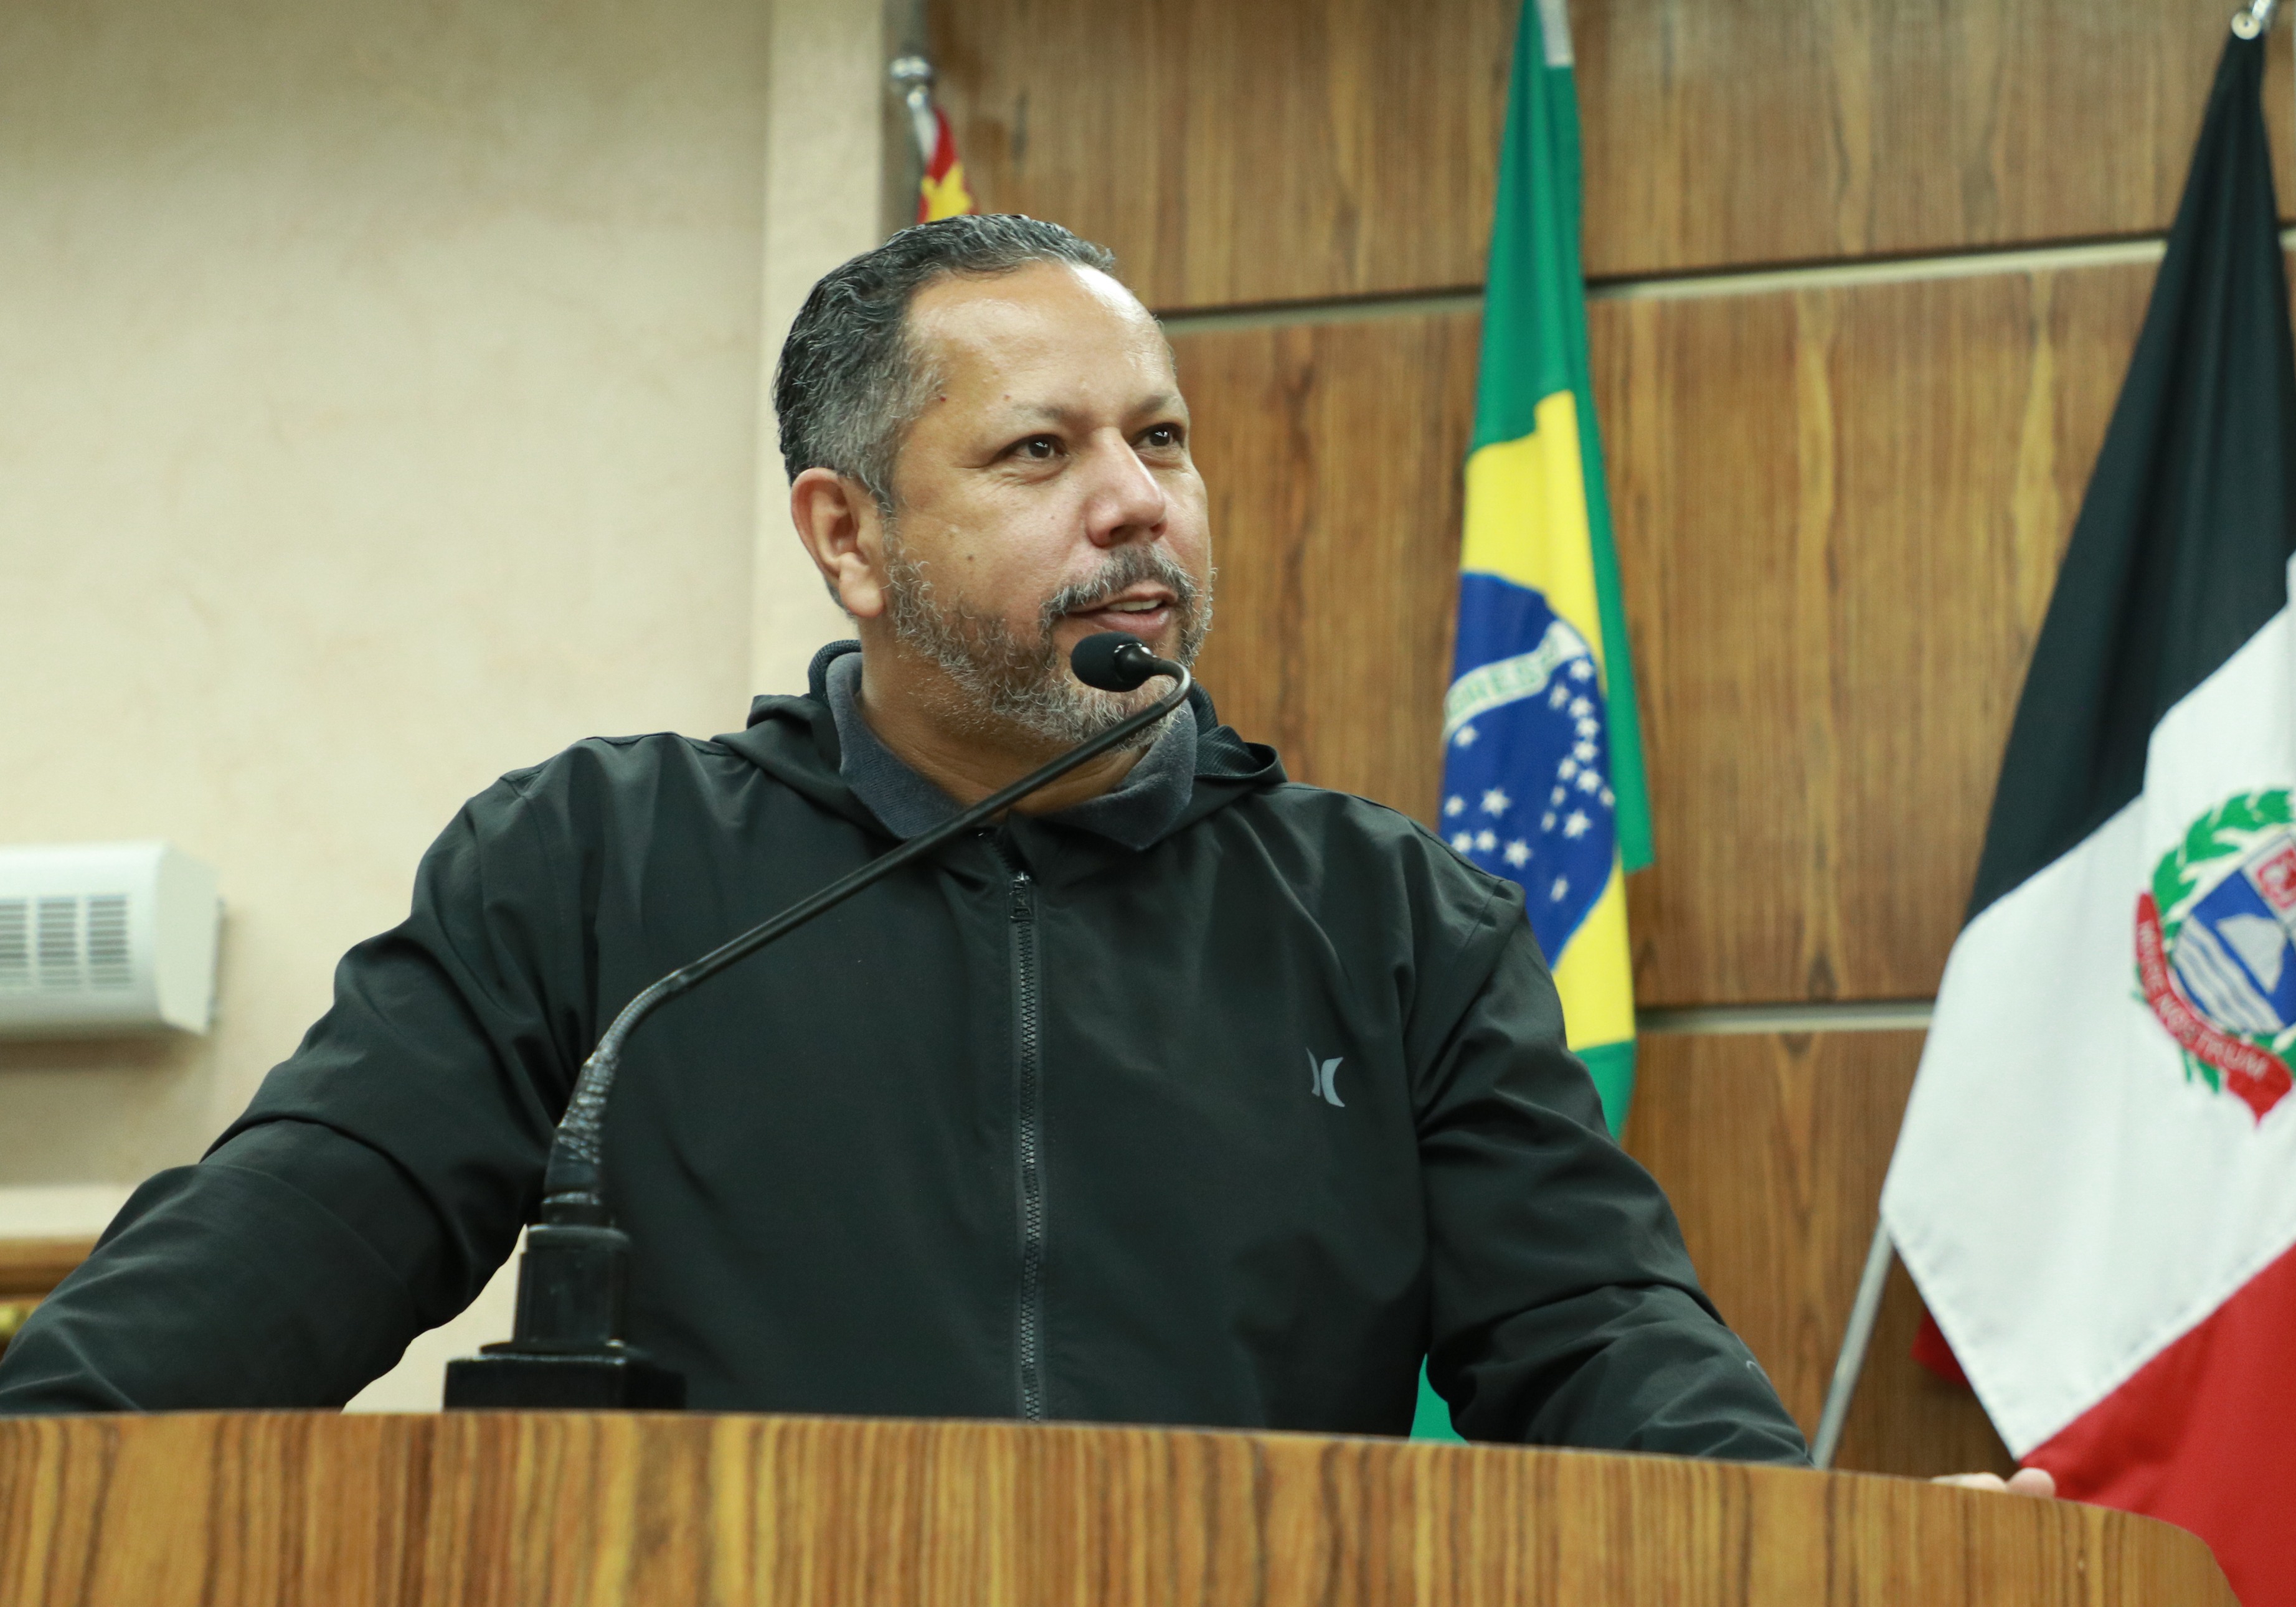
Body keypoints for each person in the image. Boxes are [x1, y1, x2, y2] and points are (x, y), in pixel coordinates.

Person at [0, 215, 1896, 1472]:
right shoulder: (599, 869)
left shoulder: (1393, 919)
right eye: (1040, 454)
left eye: (1163, 440)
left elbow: (1593, 1330)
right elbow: (296, 1232)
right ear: (850, 540)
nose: (1138, 505)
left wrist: (1808, 1543)